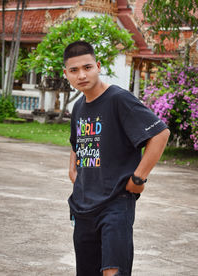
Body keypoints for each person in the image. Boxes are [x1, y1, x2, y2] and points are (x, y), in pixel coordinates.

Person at [63, 41, 170, 276]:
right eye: (74, 70)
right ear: (66, 74)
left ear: (98, 66)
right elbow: (76, 142)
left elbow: (160, 133)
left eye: (87, 67)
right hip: (83, 206)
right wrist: (73, 171)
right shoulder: (79, 106)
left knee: (113, 271)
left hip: (116, 202)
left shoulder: (118, 99)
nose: (81, 75)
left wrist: (138, 179)